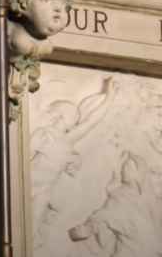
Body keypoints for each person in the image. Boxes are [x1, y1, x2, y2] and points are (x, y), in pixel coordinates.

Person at [30, 77, 118, 249]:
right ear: (62, 116)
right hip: (28, 185)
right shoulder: (43, 135)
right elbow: (21, 159)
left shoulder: (67, 140)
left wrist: (110, 98)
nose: (77, 118)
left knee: (31, 228)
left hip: (42, 192)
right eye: (74, 115)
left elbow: (91, 121)